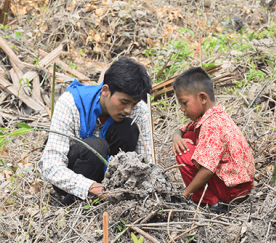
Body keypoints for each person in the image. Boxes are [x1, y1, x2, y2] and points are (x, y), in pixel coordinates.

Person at [38, 57, 153, 205]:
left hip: (110, 180)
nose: (128, 110)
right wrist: (90, 187)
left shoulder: (139, 110)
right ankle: (72, 205)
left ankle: (114, 196)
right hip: (74, 179)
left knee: (128, 128)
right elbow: (50, 167)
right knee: (95, 147)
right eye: (123, 102)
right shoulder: (70, 104)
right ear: (105, 90)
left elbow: (146, 160)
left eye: (134, 103)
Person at [172, 67, 254, 214]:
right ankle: (208, 196)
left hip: (233, 191)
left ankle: (211, 203)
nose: (181, 109)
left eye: (184, 103)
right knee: (188, 137)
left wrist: (185, 194)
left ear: (202, 98)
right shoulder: (213, 115)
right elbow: (181, 131)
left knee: (183, 153)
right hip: (241, 186)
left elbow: (207, 170)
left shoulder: (212, 125)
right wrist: (177, 139)